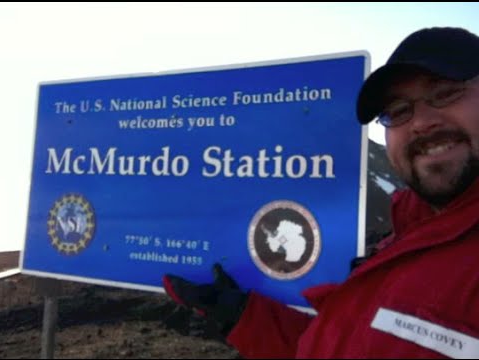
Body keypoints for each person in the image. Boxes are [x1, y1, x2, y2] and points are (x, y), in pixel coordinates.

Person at [163, 27, 479, 358]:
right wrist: (240, 314)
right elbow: (342, 345)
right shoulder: (406, 236)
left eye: (445, 94)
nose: (420, 122)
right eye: (398, 111)